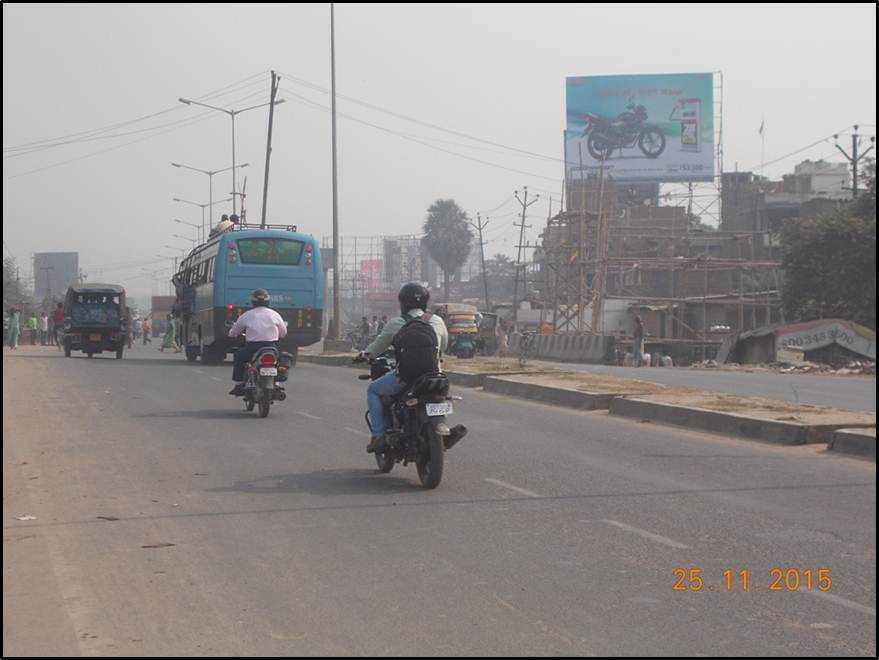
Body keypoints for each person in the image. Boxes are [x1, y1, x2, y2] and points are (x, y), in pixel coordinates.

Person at [357, 283, 448, 453]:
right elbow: (444, 347)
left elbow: (375, 349)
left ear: (403, 303)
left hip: (406, 378)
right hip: (435, 377)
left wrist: (363, 356)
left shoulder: (396, 323)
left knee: (373, 390)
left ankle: (378, 435)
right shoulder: (437, 321)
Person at [227, 289, 288, 396]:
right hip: (271, 347)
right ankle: (276, 383)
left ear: (253, 301)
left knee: (239, 356)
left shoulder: (247, 315)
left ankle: (239, 383)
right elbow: (283, 333)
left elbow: (234, 332)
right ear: (268, 301)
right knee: (279, 362)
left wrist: (231, 333)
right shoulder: (275, 314)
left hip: (252, 347)